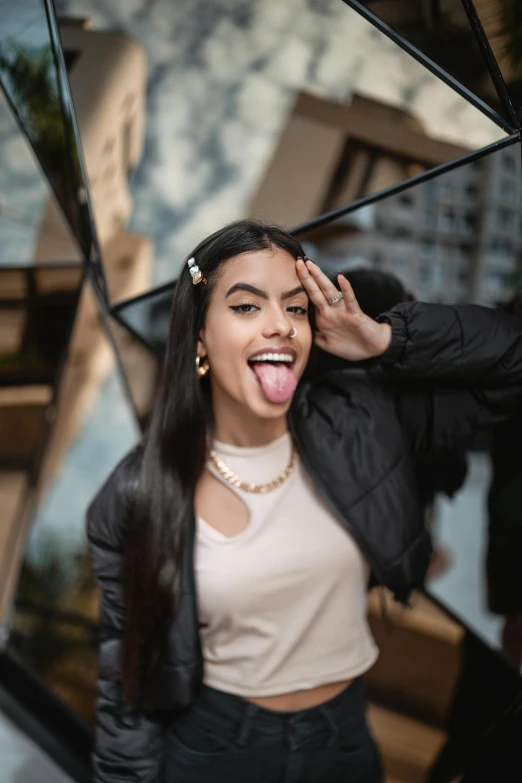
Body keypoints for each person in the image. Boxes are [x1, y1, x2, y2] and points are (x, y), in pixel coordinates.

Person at [86, 219, 522, 783]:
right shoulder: (136, 495)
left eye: (295, 309)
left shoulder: (360, 419)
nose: (278, 326)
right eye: (246, 307)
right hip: (216, 746)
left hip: (342, 742)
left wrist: (385, 339)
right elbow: (128, 685)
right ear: (198, 336)